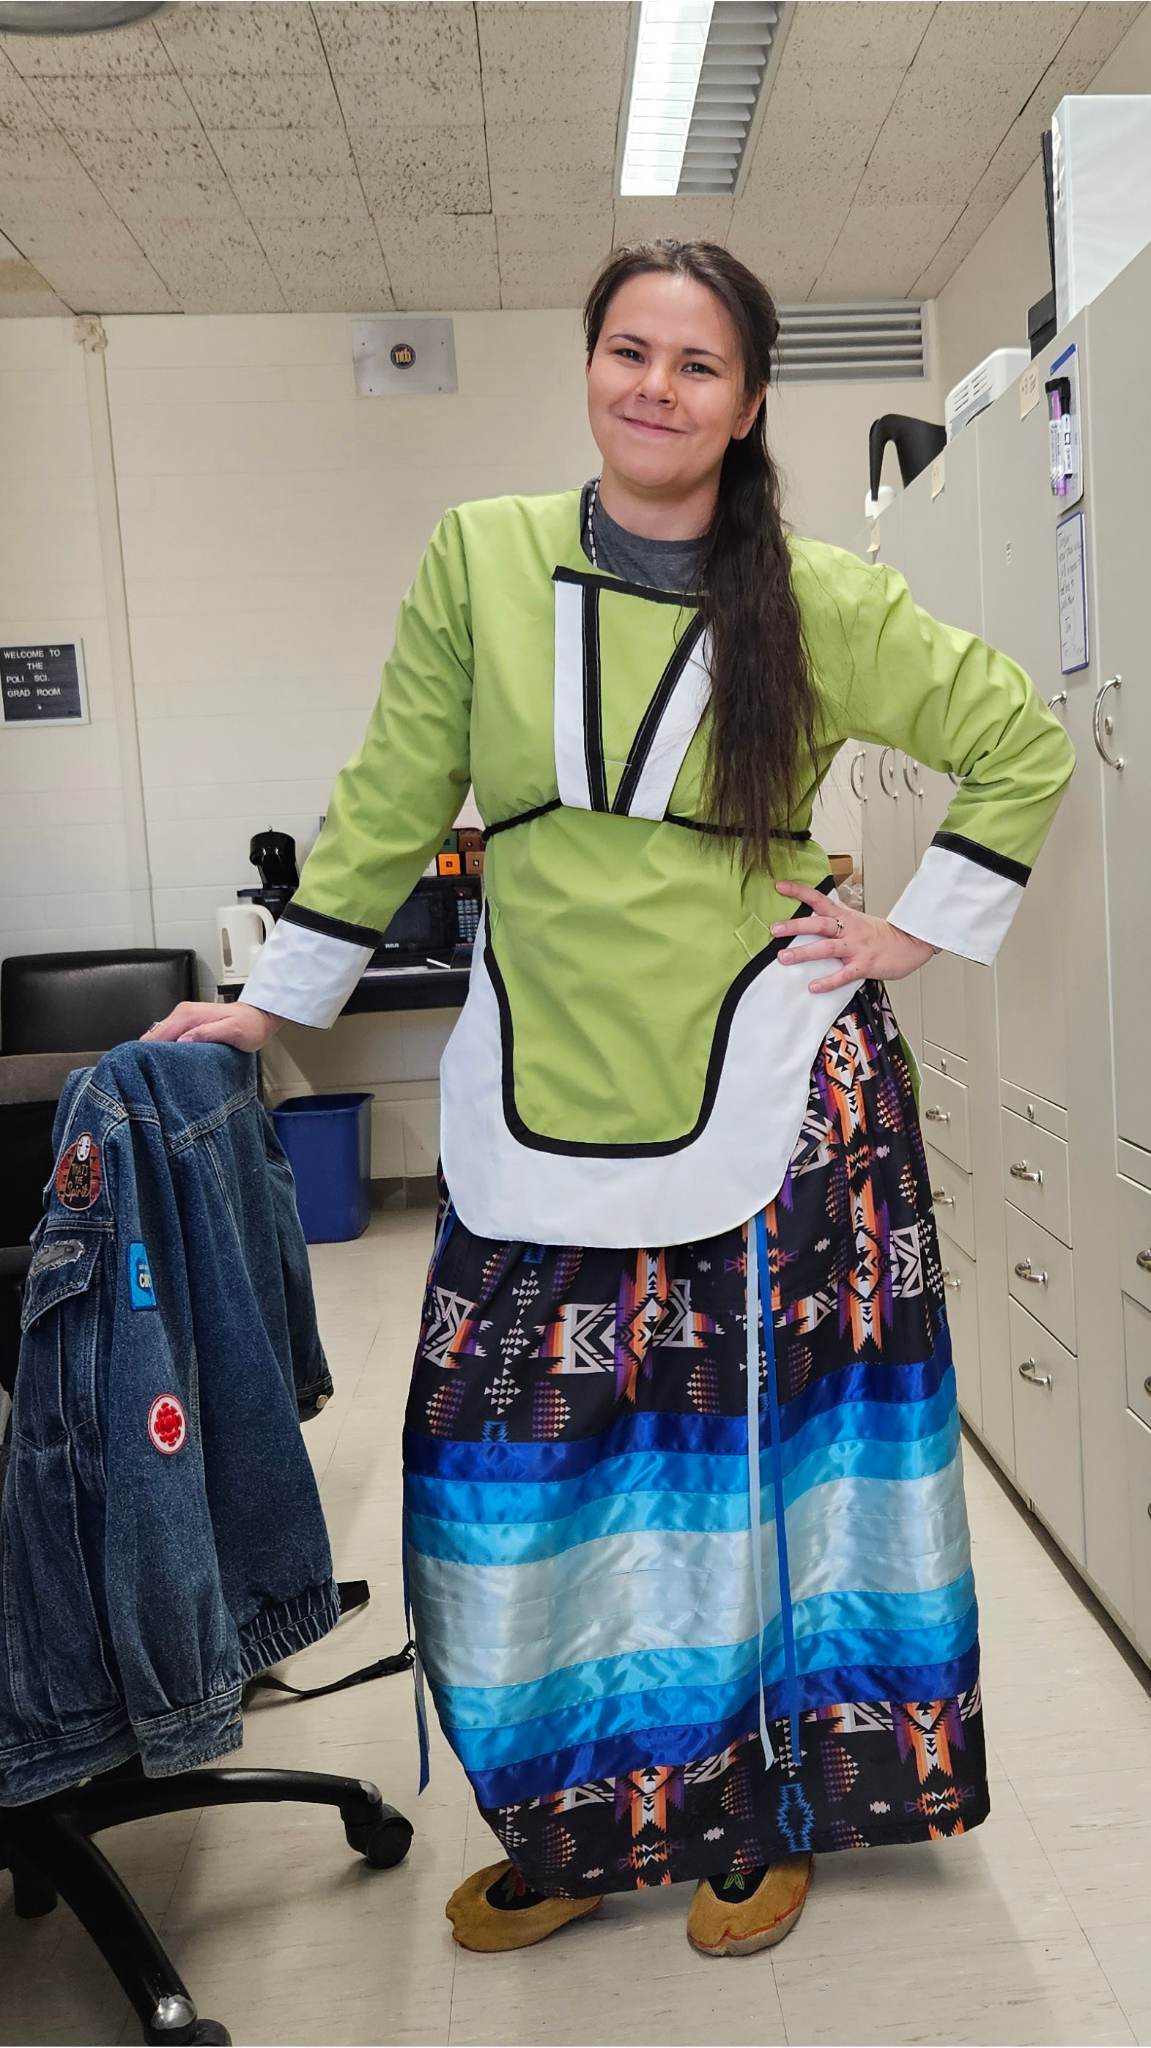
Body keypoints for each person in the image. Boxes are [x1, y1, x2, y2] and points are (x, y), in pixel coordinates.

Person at [147, 240, 1073, 1959]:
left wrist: (906, 934)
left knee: (758, 1475)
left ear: (749, 402)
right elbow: (389, 791)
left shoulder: (817, 595)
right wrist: (270, 1008)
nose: (657, 387)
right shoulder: (480, 560)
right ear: (590, 368)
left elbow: (1021, 736)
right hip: (540, 1091)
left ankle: (764, 1806)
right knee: (521, 1469)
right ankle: (583, 1811)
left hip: (778, 1096)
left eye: (698, 364)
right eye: (628, 352)